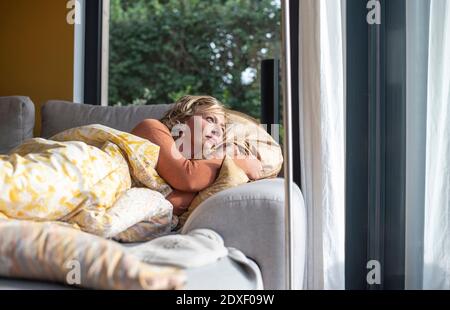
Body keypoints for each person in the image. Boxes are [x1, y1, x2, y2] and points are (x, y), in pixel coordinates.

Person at [130, 95, 263, 216]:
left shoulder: (200, 173)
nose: (217, 130)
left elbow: (170, 206)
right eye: (210, 119)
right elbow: (186, 177)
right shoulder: (151, 128)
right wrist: (233, 160)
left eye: (222, 128)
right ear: (181, 119)